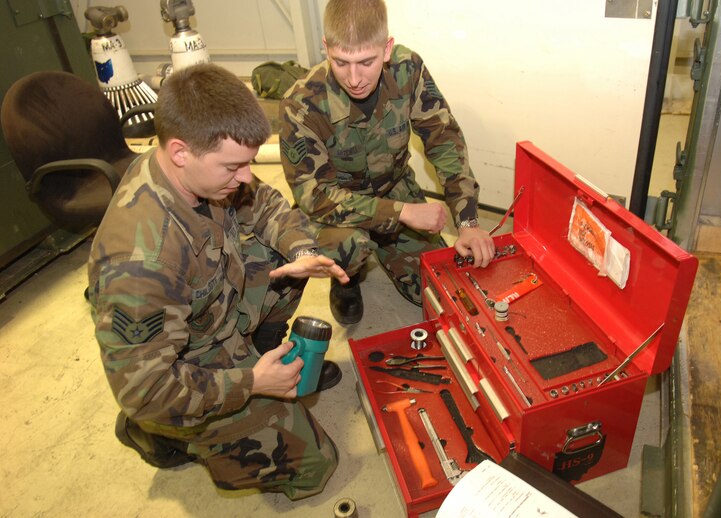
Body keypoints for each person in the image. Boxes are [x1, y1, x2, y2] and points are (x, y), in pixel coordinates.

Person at [88, 63, 348, 500]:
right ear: (180, 152)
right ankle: (156, 433)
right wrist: (251, 384)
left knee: (286, 257)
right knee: (316, 465)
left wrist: (302, 252)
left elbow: (265, 203)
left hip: (210, 317)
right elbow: (145, 388)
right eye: (234, 166)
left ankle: (257, 355)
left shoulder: (202, 175)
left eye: (247, 163)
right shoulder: (142, 263)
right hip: (177, 372)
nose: (246, 176)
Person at [279, 0, 495, 325]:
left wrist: (467, 222)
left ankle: (385, 249)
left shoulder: (408, 69)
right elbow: (316, 196)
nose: (354, 78)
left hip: (394, 187)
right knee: (347, 247)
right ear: (326, 48)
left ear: (387, 48)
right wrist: (402, 213)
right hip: (337, 210)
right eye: (341, 62)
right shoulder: (301, 104)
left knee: (434, 291)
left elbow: (443, 137)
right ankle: (346, 281)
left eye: (366, 61)